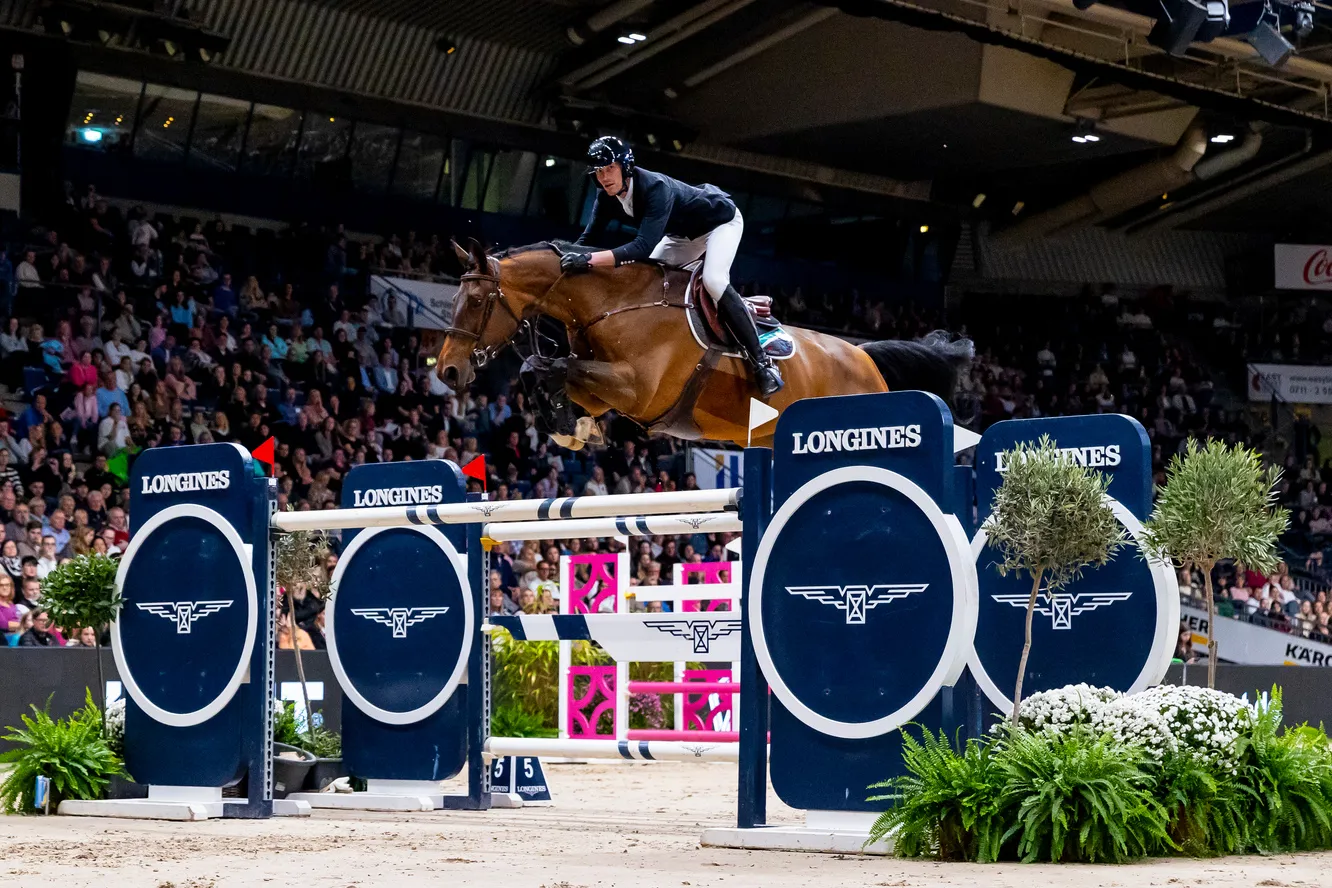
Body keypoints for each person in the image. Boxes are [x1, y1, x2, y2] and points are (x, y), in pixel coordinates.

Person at [564, 135, 783, 397]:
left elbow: (642, 247)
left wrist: (588, 260)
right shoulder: (606, 196)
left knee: (714, 280)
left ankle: (762, 364)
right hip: (681, 235)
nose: (604, 177)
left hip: (719, 223)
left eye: (609, 168)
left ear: (625, 166)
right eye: (598, 171)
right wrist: (559, 257)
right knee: (646, 279)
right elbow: (588, 240)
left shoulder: (655, 187)